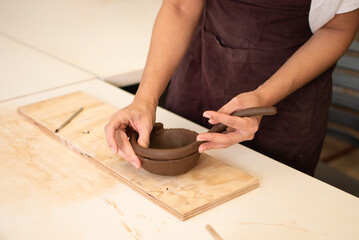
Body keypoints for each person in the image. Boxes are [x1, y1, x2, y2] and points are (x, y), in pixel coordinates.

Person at [105, 0, 359, 176]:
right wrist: (145, 100)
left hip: (287, 101)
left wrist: (263, 96)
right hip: (201, 76)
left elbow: (339, 27)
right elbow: (180, 6)